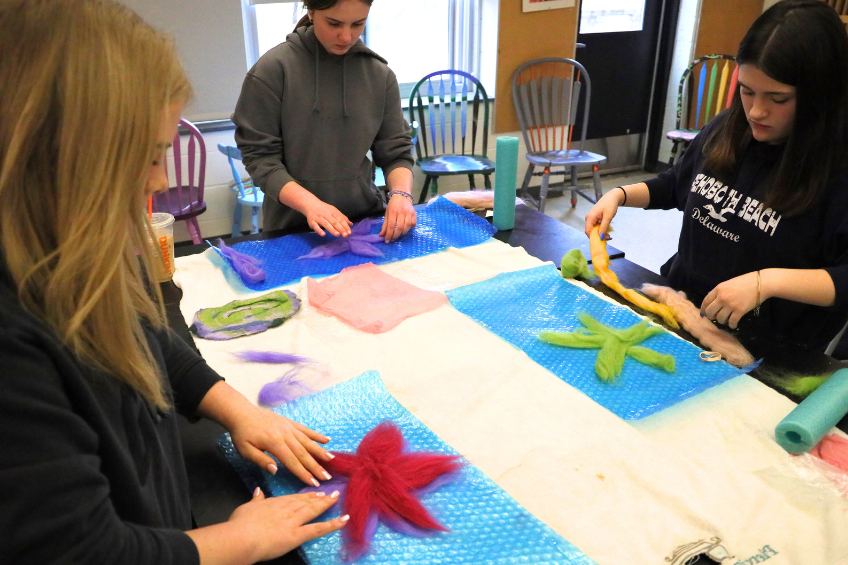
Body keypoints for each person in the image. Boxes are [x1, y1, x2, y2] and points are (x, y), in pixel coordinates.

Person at [0, 1, 348, 563]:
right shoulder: (14, 342)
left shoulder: (96, 248)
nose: (162, 181)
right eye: (149, 155)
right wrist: (242, 539)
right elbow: (81, 550)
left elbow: (152, 339)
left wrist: (239, 410)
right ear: (66, 156)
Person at [585, 0, 848, 351]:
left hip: (765, 350)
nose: (756, 110)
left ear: (820, 96)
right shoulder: (729, 127)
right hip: (681, 313)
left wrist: (765, 283)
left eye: (778, 98)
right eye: (747, 91)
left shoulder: (837, 168)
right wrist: (619, 195)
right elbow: (678, 185)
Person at [233, 0, 416, 244]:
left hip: (364, 223)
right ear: (311, 11)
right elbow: (261, 160)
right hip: (293, 230)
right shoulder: (272, 71)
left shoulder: (379, 75)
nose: (346, 36)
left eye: (358, 24)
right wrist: (311, 205)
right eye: (334, 23)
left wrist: (401, 195)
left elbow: (396, 153)